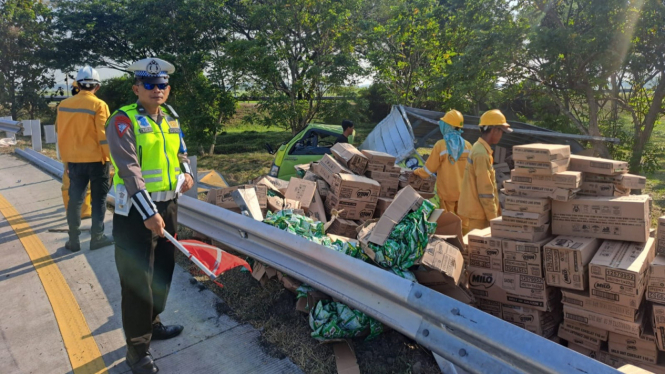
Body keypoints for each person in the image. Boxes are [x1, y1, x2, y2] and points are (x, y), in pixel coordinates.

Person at [106, 57, 194, 374]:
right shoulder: (122, 121)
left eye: (162, 85)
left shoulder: (169, 118)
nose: (157, 90)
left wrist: (186, 173)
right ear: (137, 88)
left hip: (168, 205)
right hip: (134, 211)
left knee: (162, 271)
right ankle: (137, 351)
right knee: (137, 281)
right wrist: (148, 213)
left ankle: (153, 323)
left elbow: (180, 151)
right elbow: (129, 171)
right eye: (149, 85)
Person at [55, 66, 114, 252]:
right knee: (98, 200)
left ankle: (73, 241)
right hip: (98, 161)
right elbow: (105, 135)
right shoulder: (99, 105)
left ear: (78, 85)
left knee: (75, 200)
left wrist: (66, 159)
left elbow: (60, 132)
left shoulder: (63, 105)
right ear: (97, 87)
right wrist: (112, 159)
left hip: (74, 161)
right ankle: (97, 237)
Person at [458, 109, 512, 235]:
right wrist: (493, 219)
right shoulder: (481, 154)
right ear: (494, 130)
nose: (501, 135)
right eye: (501, 132)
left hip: (473, 211)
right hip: (476, 215)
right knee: (474, 250)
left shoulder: (479, 148)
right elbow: (485, 190)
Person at [414, 110, 471, 214]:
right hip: (465, 194)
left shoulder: (441, 145)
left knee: (448, 223)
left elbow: (428, 171)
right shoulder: (468, 145)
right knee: (462, 224)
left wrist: (416, 172)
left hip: (447, 194)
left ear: (447, 126)